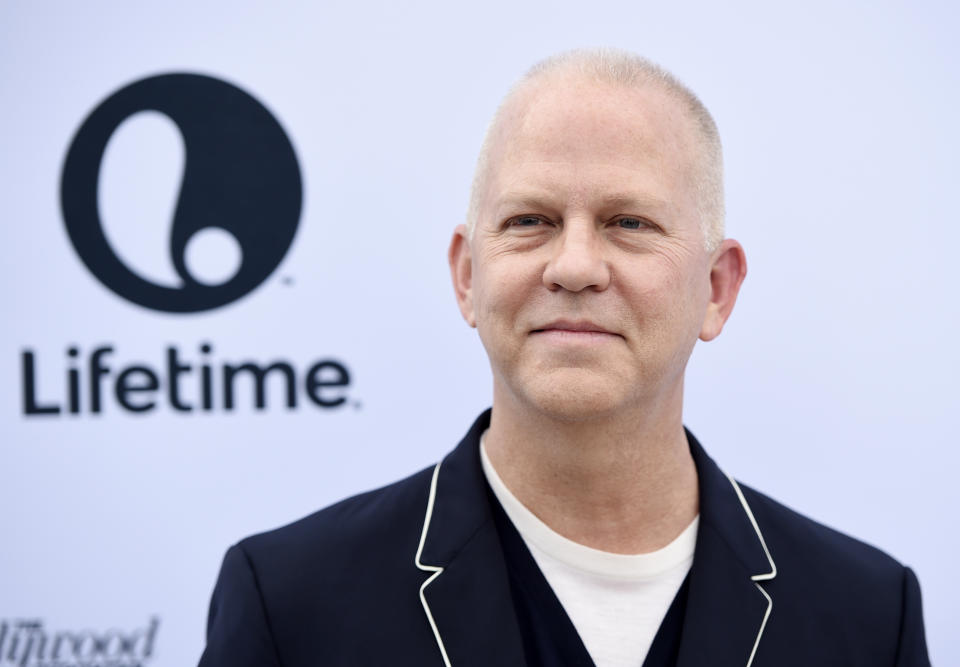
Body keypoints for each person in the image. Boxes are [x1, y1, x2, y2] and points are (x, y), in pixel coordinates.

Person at [198, 49, 930, 667]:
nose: (574, 265)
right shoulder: (292, 607)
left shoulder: (867, 617)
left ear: (715, 287)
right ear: (467, 277)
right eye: (530, 221)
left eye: (629, 222)